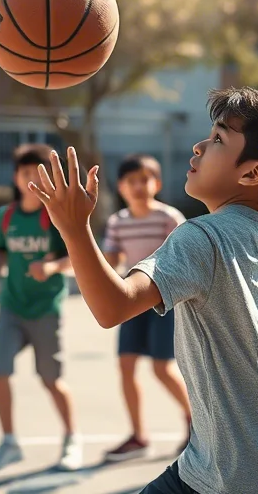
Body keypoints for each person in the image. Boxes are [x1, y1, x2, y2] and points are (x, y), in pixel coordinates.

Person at [28, 87, 258, 494]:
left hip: (233, 479)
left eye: (219, 139)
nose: (199, 145)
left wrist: (74, 229)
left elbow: (111, 307)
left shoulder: (200, 238)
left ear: (252, 173)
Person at [0, 143, 82, 474]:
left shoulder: (54, 217)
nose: (32, 179)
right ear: (16, 178)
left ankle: (71, 439)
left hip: (45, 308)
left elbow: (76, 257)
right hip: (11, 306)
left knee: (51, 379)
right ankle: (9, 442)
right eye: (26, 173)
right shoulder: (5, 216)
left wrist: (51, 268)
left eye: (39, 173)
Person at [100, 154, 192, 463]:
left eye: (145, 179)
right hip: (131, 303)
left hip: (164, 302)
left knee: (161, 368)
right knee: (126, 366)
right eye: (131, 181)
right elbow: (109, 262)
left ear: (158, 183)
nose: (138, 186)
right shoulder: (118, 222)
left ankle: (197, 423)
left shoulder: (169, 218)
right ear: (121, 187)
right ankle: (138, 436)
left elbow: (184, 259)